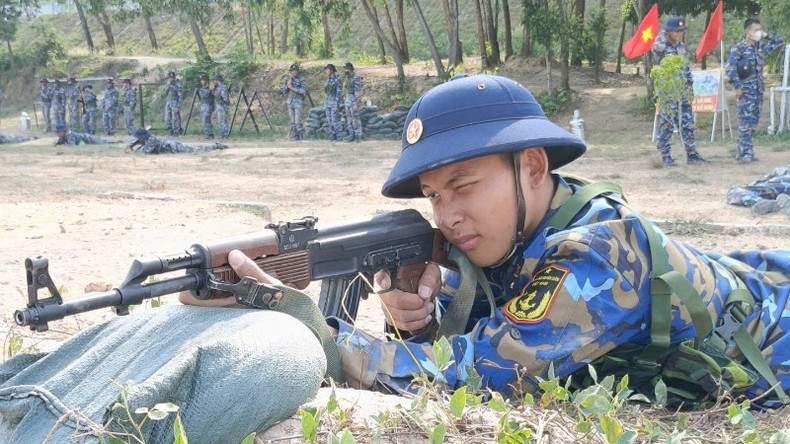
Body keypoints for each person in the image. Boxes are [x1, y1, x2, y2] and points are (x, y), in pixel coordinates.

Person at [183, 75, 790, 408]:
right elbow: (488, 320)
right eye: (433, 195)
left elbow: (480, 372)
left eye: (464, 185)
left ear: (532, 167)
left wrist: (309, 326)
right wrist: (420, 317)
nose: (447, 215)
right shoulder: (513, 239)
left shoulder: (602, 253)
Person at [726, 18, 785, 163]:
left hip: (758, 91)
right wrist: (737, 87)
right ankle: (746, 154)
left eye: (760, 29)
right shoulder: (738, 48)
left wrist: (766, 35)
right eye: (756, 30)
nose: (759, 32)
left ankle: (743, 152)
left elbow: (779, 41)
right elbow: (730, 69)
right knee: (745, 124)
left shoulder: (760, 47)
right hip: (745, 92)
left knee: (752, 123)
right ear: (747, 31)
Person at [651, 16, 707, 166]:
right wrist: (663, 37)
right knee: (668, 122)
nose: (680, 34)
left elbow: (686, 67)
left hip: (683, 90)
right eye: (676, 31)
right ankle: (664, 155)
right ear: (668, 32)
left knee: (687, 122)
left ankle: (691, 154)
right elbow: (655, 53)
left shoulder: (681, 46)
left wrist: (689, 88)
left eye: (681, 31)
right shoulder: (660, 45)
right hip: (669, 91)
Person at [128, 127, 226, 154]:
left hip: (174, 148)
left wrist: (134, 148)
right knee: (194, 148)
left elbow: (145, 152)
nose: (138, 139)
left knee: (195, 150)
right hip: (172, 146)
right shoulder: (148, 139)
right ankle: (215, 145)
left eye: (138, 138)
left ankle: (215, 146)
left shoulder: (151, 140)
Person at [283, 63, 306, 140]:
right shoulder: (287, 79)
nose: (294, 72)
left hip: (298, 102)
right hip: (290, 101)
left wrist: (292, 88)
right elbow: (283, 91)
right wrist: (287, 86)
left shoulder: (301, 79)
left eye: (295, 70)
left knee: (297, 121)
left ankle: (300, 136)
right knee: (292, 121)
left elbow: (303, 90)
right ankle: (294, 135)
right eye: (292, 70)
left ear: (298, 71)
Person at [343, 62, 364, 143]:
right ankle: (351, 135)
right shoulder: (348, 78)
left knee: (355, 119)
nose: (345, 71)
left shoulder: (356, 77)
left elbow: (358, 92)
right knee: (349, 120)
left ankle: (357, 136)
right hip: (348, 100)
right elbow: (347, 90)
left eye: (346, 69)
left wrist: (355, 103)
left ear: (350, 69)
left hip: (354, 101)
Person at [54, 123, 121, 145]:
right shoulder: (63, 136)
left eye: (58, 132)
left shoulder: (70, 135)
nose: (57, 134)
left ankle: (118, 142)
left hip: (89, 138)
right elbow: (59, 143)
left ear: (63, 131)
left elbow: (72, 146)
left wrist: (62, 145)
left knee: (105, 143)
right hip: (87, 140)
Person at [323, 64, 342, 141]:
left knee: (335, 120)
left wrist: (336, 105)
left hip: (334, 103)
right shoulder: (327, 80)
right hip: (327, 102)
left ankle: (339, 136)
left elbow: (338, 93)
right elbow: (326, 92)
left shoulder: (337, 80)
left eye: (327, 70)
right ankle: (333, 136)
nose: (326, 71)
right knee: (329, 120)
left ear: (331, 70)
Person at [164, 71, 183, 136]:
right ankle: (170, 130)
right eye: (170, 78)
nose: (171, 79)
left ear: (174, 78)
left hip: (175, 102)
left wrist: (178, 106)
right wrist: (168, 85)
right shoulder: (168, 84)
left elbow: (180, 95)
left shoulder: (178, 84)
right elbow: (165, 92)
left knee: (175, 118)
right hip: (168, 102)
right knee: (167, 117)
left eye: (172, 78)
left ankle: (176, 131)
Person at [213, 74, 231, 139]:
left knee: (223, 120)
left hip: (222, 105)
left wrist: (225, 104)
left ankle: (225, 134)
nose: (214, 81)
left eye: (215, 80)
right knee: (220, 120)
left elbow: (225, 97)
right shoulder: (217, 87)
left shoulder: (223, 87)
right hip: (219, 105)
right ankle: (222, 134)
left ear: (217, 80)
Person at [197, 74, 215, 139]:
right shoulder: (202, 88)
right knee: (204, 120)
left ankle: (209, 134)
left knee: (206, 119)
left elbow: (213, 95)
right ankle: (207, 133)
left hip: (208, 105)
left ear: (206, 80)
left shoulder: (210, 87)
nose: (201, 82)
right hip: (203, 105)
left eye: (202, 80)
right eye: (201, 80)